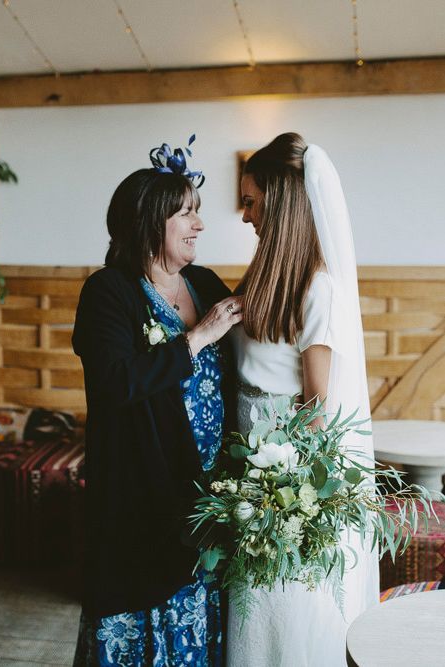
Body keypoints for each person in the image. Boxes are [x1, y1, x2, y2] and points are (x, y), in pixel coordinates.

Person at [72, 141, 242, 666]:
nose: (199, 225)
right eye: (186, 213)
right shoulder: (109, 292)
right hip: (139, 485)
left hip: (208, 487)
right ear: (150, 220)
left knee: (203, 608)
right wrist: (196, 338)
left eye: (197, 212)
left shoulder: (205, 283)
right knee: (142, 602)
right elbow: (115, 382)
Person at [227, 132, 379, 666]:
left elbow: (316, 408)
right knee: (249, 611)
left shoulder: (319, 291)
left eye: (250, 201)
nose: (244, 214)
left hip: (280, 478)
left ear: (281, 199)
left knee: (282, 605)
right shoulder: (264, 278)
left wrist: (280, 490)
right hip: (247, 463)